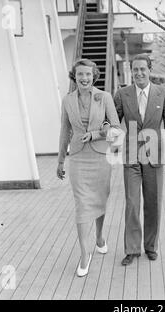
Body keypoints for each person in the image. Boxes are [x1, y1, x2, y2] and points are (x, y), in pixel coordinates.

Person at [57, 59, 122, 277]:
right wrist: (59, 160)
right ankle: (85, 254)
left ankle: (100, 236)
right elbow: (64, 131)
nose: (84, 78)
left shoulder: (104, 97)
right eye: (80, 74)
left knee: (99, 199)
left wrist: (95, 134)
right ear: (74, 77)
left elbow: (115, 127)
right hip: (77, 157)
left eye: (88, 74)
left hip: (100, 156)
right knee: (82, 204)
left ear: (94, 76)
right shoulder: (67, 100)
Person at [114, 54, 165, 266]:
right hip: (131, 155)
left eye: (143, 69)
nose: (139, 73)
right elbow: (112, 121)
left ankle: (151, 247)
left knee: (153, 202)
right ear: (131, 71)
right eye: (135, 70)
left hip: (155, 154)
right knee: (132, 202)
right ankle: (132, 249)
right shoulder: (123, 94)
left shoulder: (163, 93)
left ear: (150, 70)